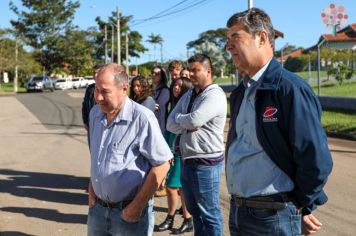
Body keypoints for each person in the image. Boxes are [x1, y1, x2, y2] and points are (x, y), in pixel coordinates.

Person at [225, 8, 333, 235]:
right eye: (227, 40)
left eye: (235, 37)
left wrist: (299, 205)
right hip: (239, 211)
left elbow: (316, 159)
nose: (228, 46)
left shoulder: (289, 88)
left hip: (273, 217)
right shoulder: (240, 93)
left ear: (262, 37)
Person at [87, 63, 172, 236]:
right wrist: (92, 188)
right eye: (96, 90)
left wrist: (136, 207)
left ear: (124, 89)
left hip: (129, 215)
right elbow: (98, 155)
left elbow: (162, 165)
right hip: (97, 211)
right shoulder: (95, 113)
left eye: (105, 91)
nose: (99, 97)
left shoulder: (142, 118)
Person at [167, 54, 227, 236]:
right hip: (188, 159)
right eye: (190, 70)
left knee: (209, 213)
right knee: (195, 212)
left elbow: (195, 120)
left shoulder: (214, 94)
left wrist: (185, 122)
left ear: (208, 71)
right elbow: (170, 123)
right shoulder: (189, 95)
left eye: (196, 70)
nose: (191, 74)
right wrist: (186, 123)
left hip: (206, 162)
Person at [155, 77, 193, 234]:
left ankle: (187, 219)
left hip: (180, 151)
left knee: (176, 187)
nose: (176, 88)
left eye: (180, 86)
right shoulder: (174, 104)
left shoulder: (186, 105)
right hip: (170, 148)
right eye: (175, 85)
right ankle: (171, 218)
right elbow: (169, 128)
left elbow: (180, 127)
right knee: (173, 187)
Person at [82, 64, 102, 135]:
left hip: (102, 125)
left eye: (98, 73)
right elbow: (84, 106)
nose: (96, 75)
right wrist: (85, 122)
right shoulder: (89, 89)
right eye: (94, 73)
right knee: (92, 146)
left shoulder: (106, 88)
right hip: (90, 125)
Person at [151, 66, 170, 134]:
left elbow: (157, 105)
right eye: (152, 73)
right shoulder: (148, 89)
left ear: (162, 76)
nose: (153, 75)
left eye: (157, 74)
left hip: (159, 125)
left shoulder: (165, 90)